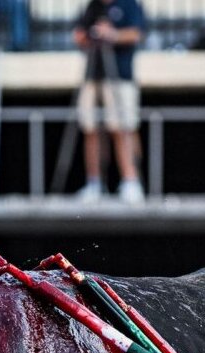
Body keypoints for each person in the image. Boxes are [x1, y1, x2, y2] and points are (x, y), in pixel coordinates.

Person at [73, 0, 147, 203]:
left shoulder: (129, 5)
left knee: (122, 128)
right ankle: (94, 182)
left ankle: (131, 180)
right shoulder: (93, 7)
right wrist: (88, 37)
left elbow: (136, 33)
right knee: (91, 128)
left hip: (120, 76)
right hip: (93, 75)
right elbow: (79, 34)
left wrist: (112, 35)